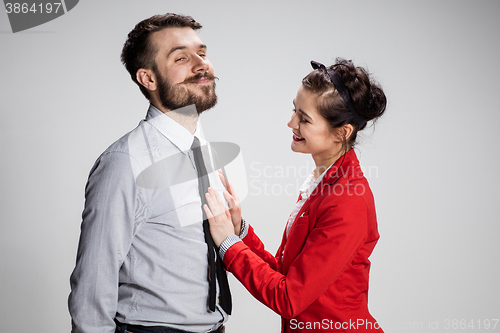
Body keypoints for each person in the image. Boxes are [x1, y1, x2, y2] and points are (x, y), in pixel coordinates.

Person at [68, 13, 235, 333]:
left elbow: (199, 246)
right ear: (148, 79)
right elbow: (93, 284)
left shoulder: (204, 152)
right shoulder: (125, 163)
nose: (202, 65)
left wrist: (236, 228)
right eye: (182, 58)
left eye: (202, 52)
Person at [204, 58, 387, 332]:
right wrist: (238, 231)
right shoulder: (322, 184)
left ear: (342, 132)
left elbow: (289, 297)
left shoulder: (347, 201)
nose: (291, 122)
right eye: (294, 110)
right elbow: (286, 274)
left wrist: (227, 244)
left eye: (304, 119)